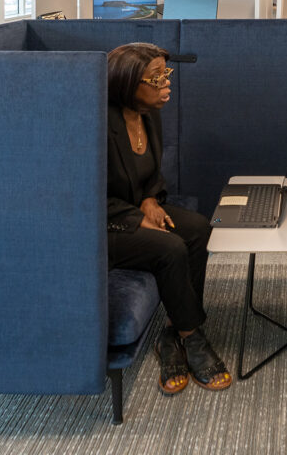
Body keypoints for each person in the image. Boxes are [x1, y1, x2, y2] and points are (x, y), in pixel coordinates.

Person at [106, 42, 232, 394]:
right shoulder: (98, 123)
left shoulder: (149, 114)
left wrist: (148, 198)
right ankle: (192, 339)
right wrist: (133, 218)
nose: (167, 85)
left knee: (198, 229)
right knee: (170, 247)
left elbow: (151, 175)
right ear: (127, 84)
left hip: (134, 207)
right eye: (156, 78)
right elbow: (81, 195)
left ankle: (173, 330)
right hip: (103, 224)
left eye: (167, 74)